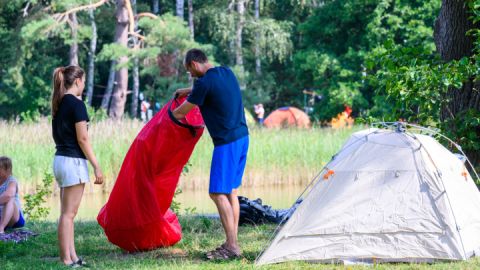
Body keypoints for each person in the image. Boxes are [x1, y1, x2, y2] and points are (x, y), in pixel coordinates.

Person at [173, 49, 249, 260]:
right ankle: (232, 242)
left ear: (195, 64)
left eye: (190, 70)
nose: (191, 75)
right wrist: (188, 90)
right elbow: (209, 89)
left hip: (226, 143)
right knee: (231, 191)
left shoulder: (203, 83)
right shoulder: (226, 72)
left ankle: (232, 246)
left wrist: (166, 116)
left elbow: (181, 113)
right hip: (243, 137)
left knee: (217, 193)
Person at [51, 65, 104, 267]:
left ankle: (73, 257)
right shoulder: (77, 105)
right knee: (68, 214)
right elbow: (83, 138)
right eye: (83, 81)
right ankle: (66, 259)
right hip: (73, 161)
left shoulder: (59, 103)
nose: (84, 85)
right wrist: (96, 165)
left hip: (61, 160)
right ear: (78, 81)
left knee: (67, 214)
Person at [0, 156, 25, 234]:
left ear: (7, 169)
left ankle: (1, 228)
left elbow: (8, 195)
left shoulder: (12, 181)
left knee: (10, 198)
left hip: (14, 218)